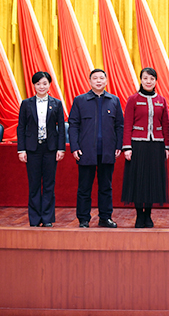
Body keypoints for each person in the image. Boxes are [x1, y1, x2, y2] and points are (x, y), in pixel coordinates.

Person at [68, 69, 124, 228]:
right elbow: (73, 125)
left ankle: (105, 217)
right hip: (86, 151)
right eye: (95, 78)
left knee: (106, 187)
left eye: (101, 78)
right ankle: (83, 219)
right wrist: (74, 146)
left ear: (106, 81)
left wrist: (118, 145)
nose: (98, 81)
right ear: (90, 81)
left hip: (107, 151)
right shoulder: (80, 100)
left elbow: (119, 125)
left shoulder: (114, 100)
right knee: (84, 187)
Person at [121, 68, 169, 228]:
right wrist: (127, 147)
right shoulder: (133, 99)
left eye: (152, 78)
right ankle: (139, 214)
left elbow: (165, 124)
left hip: (156, 145)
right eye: (145, 78)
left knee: (152, 179)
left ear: (156, 81)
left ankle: (148, 214)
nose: (148, 81)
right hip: (137, 144)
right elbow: (127, 123)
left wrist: (167, 146)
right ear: (141, 80)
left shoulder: (161, 100)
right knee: (138, 179)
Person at [17, 71, 66, 227]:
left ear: (49, 84)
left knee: (49, 184)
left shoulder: (57, 103)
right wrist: (21, 149)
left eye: (44, 83)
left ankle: (47, 218)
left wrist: (61, 148)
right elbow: (21, 127)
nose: (41, 87)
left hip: (50, 148)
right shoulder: (26, 104)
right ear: (34, 85)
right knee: (34, 184)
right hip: (32, 148)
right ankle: (34, 218)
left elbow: (61, 128)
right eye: (38, 84)